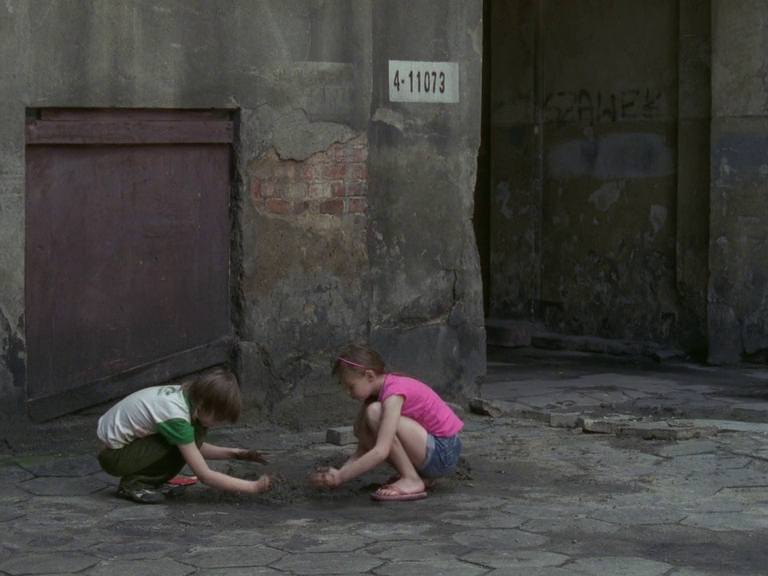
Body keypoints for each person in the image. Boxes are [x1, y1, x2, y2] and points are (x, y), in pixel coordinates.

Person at [310, 343, 463, 501]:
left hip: (444, 452)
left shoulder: (393, 395)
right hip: (435, 453)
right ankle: (417, 476)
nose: (348, 393)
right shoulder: (379, 394)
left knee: (375, 413)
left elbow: (381, 451)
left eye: (351, 386)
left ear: (369, 376)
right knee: (374, 418)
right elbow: (363, 449)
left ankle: (411, 479)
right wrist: (338, 474)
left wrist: (341, 477)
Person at [96, 366, 272, 504]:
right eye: (218, 419)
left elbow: (194, 448)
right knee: (185, 440)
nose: (217, 425)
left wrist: (238, 454)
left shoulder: (186, 397)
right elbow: (204, 475)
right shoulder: (177, 417)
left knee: (185, 440)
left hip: (122, 447)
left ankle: (149, 482)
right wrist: (254, 487)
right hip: (113, 456)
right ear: (203, 406)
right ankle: (135, 485)